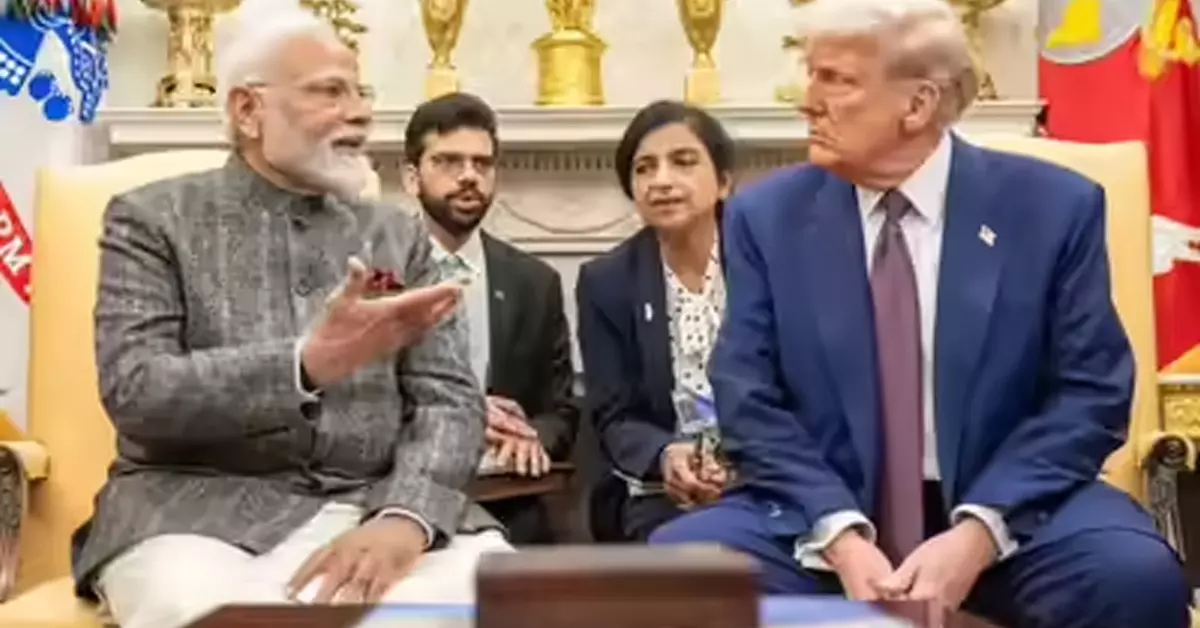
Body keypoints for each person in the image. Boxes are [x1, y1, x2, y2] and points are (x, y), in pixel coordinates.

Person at [648, 1, 1192, 626]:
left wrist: (980, 532)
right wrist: (840, 535)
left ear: (918, 104)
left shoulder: (1050, 209)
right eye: (811, 74)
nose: (808, 101)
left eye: (836, 80)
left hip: (1013, 515)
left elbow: (1091, 394)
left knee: (1133, 576)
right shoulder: (766, 218)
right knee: (678, 569)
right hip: (821, 516)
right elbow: (748, 398)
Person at [71, 3, 511, 627]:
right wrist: (303, 365)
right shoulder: (151, 220)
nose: (359, 113)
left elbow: (449, 400)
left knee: (497, 603)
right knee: (204, 612)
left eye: (359, 93)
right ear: (248, 111)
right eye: (330, 92)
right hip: (190, 518)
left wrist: (406, 517)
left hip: (375, 507)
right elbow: (137, 391)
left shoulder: (398, 236)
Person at [401, 92, 580, 545]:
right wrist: (465, 416)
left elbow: (560, 409)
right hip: (402, 487)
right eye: (448, 161)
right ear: (411, 178)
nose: (468, 176)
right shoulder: (379, 274)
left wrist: (529, 435)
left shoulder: (534, 282)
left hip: (506, 491)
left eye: (481, 164)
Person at [576, 100, 736, 542]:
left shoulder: (766, 262)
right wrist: (666, 454)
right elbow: (613, 415)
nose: (662, 181)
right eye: (644, 168)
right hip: (661, 492)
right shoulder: (607, 280)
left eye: (683, 162)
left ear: (724, 181)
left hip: (764, 478)